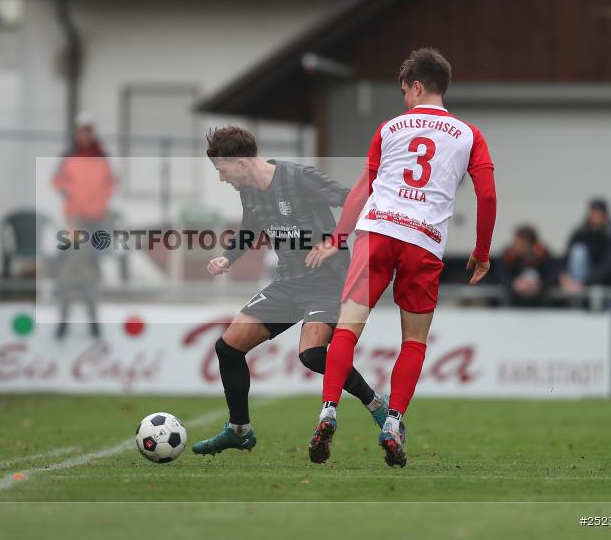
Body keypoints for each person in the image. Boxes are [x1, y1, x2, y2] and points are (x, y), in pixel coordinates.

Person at [306, 47, 497, 467]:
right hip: (423, 242)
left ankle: (328, 411)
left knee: (346, 330)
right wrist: (481, 252)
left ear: (416, 86)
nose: (405, 100)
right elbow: (486, 195)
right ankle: (392, 423)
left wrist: (338, 237)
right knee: (413, 341)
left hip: (376, 233)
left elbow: (364, 188)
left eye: (405, 92)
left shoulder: (390, 128)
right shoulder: (469, 135)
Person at [191, 126, 389, 456]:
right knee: (228, 348)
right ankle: (239, 430)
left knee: (312, 355)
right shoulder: (249, 191)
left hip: (327, 281)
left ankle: (375, 403)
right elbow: (249, 229)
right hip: (288, 283)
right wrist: (228, 257)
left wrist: (336, 240)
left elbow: (354, 199)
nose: (222, 178)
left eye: (222, 170)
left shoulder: (299, 177)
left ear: (240, 163)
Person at [52, 112, 116, 235]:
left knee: (96, 243)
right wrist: (69, 194)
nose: (85, 135)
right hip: (74, 213)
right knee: (75, 244)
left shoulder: (101, 155)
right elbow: (57, 180)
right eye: (82, 131)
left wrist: (103, 198)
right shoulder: (68, 154)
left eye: (88, 131)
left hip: (97, 213)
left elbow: (111, 180)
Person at [560, 198, 611, 293]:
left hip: (608, 281)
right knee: (578, 250)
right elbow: (567, 255)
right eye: (593, 213)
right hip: (583, 281)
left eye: (598, 213)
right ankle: (577, 286)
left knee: (598, 292)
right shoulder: (581, 231)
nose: (595, 216)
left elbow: (610, 264)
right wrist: (564, 275)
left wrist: (587, 281)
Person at [499, 225, 555, 307]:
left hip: (539, 299)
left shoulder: (543, 255)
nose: (518, 247)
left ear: (531, 244)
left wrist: (540, 284)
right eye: (516, 243)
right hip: (513, 298)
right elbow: (501, 274)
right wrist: (514, 283)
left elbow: (551, 274)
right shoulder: (509, 255)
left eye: (522, 244)